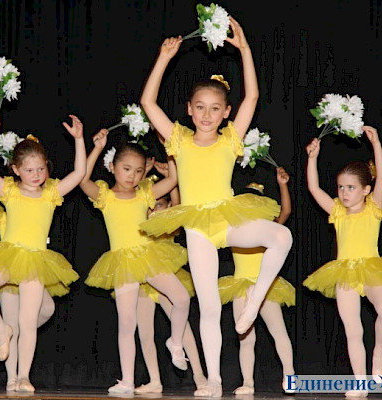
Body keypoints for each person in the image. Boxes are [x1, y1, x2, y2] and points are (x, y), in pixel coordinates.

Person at [139, 16, 293, 397]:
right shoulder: (178, 140)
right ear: (189, 110)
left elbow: (253, 98)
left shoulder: (229, 139)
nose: (207, 114)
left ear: (225, 113)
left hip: (227, 217)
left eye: (215, 108)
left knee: (281, 235)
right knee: (208, 308)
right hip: (196, 227)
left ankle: (255, 302)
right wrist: (163, 58)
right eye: (200, 107)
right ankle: (213, 382)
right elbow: (147, 102)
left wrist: (244, 50)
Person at [80, 129, 191, 394]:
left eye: (139, 171)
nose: (133, 176)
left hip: (147, 256)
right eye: (127, 169)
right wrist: (96, 148)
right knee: (127, 323)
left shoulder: (145, 194)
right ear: (113, 167)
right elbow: (82, 178)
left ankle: (175, 343)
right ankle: (127, 381)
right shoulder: (104, 196)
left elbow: (174, 179)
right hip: (123, 262)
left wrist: (167, 148)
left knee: (182, 298)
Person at [0, 113, 86, 392]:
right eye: (29, 170)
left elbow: (78, 174)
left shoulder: (51, 193)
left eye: (41, 169)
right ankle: (2, 332)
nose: (36, 175)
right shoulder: (9, 191)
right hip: (9, 254)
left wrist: (79, 140)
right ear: (16, 169)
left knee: (28, 322)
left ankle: (24, 376)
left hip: (35, 260)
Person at [304, 126, 382, 398]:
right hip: (345, 272)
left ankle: (377, 371)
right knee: (352, 329)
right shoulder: (338, 211)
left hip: (372, 269)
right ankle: (360, 384)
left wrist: (377, 147)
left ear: (365, 190)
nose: (344, 192)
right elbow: (313, 188)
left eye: (351, 187)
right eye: (341, 187)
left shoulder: (374, 207)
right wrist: (313, 157)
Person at [218, 167, 295, 395]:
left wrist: (282, 186)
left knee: (278, 331)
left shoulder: (267, 229)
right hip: (240, 285)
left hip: (266, 287)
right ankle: (248, 383)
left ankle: (290, 374)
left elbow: (286, 213)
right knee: (245, 338)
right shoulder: (232, 229)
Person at [134, 167, 207, 393]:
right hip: (141, 274)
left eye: (160, 205)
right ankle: (155, 381)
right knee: (145, 331)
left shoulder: (168, 221)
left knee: (182, 324)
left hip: (164, 273)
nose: (154, 211)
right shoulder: (137, 220)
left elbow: (177, 207)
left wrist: (171, 167)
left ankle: (200, 376)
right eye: (151, 207)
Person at [0, 200, 56, 391]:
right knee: (11, 323)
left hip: (30, 274)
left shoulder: (38, 210)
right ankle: (13, 379)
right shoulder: (4, 217)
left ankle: (15, 336)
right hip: (8, 279)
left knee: (47, 309)